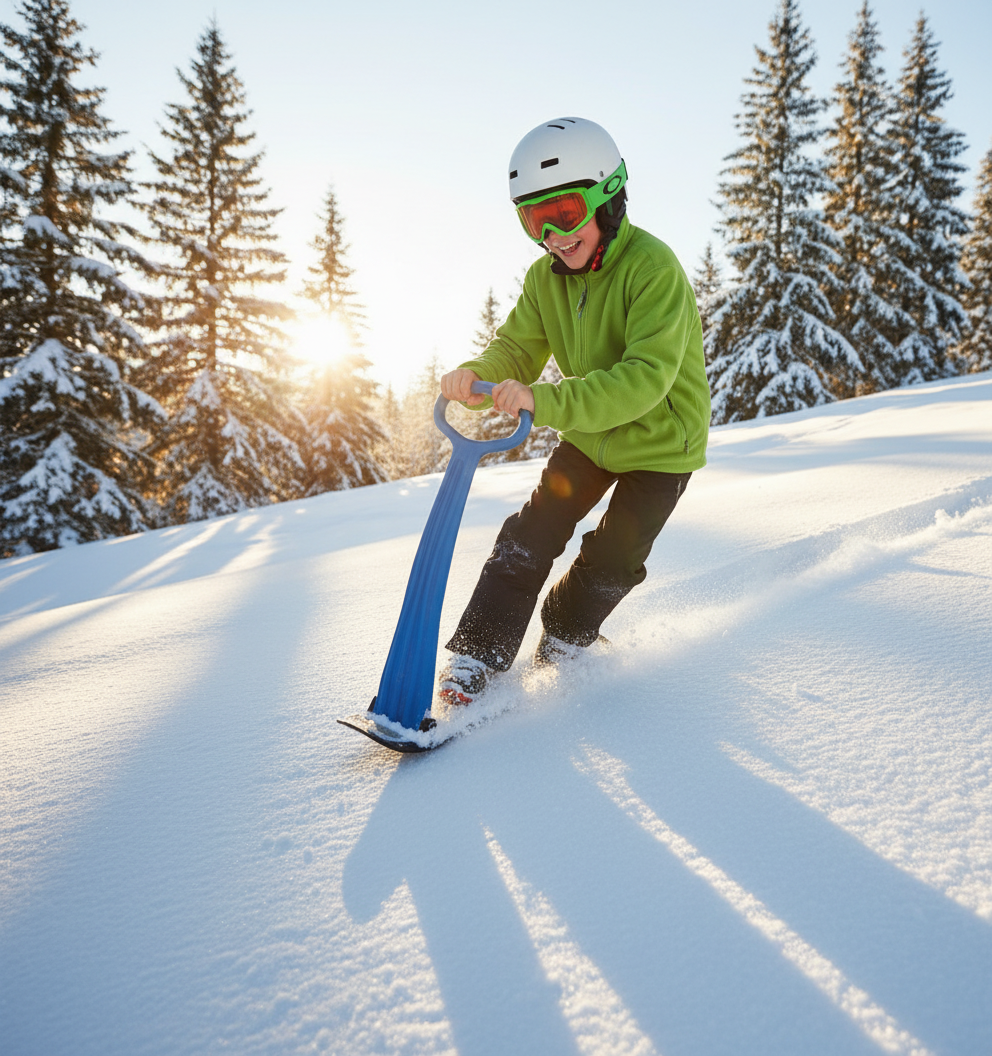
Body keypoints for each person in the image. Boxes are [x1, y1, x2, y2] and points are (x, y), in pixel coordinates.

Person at [438, 116, 710, 705]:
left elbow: (644, 381)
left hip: (662, 445)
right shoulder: (545, 279)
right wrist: (477, 375)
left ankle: (564, 635)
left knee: (614, 554)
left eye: (563, 213)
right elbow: (517, 347)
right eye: (534, 221)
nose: (553, 236)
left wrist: (547, 400)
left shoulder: (653, 269)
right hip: (591, 436)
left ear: (607, 196)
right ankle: (478, 655)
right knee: (531, 532)